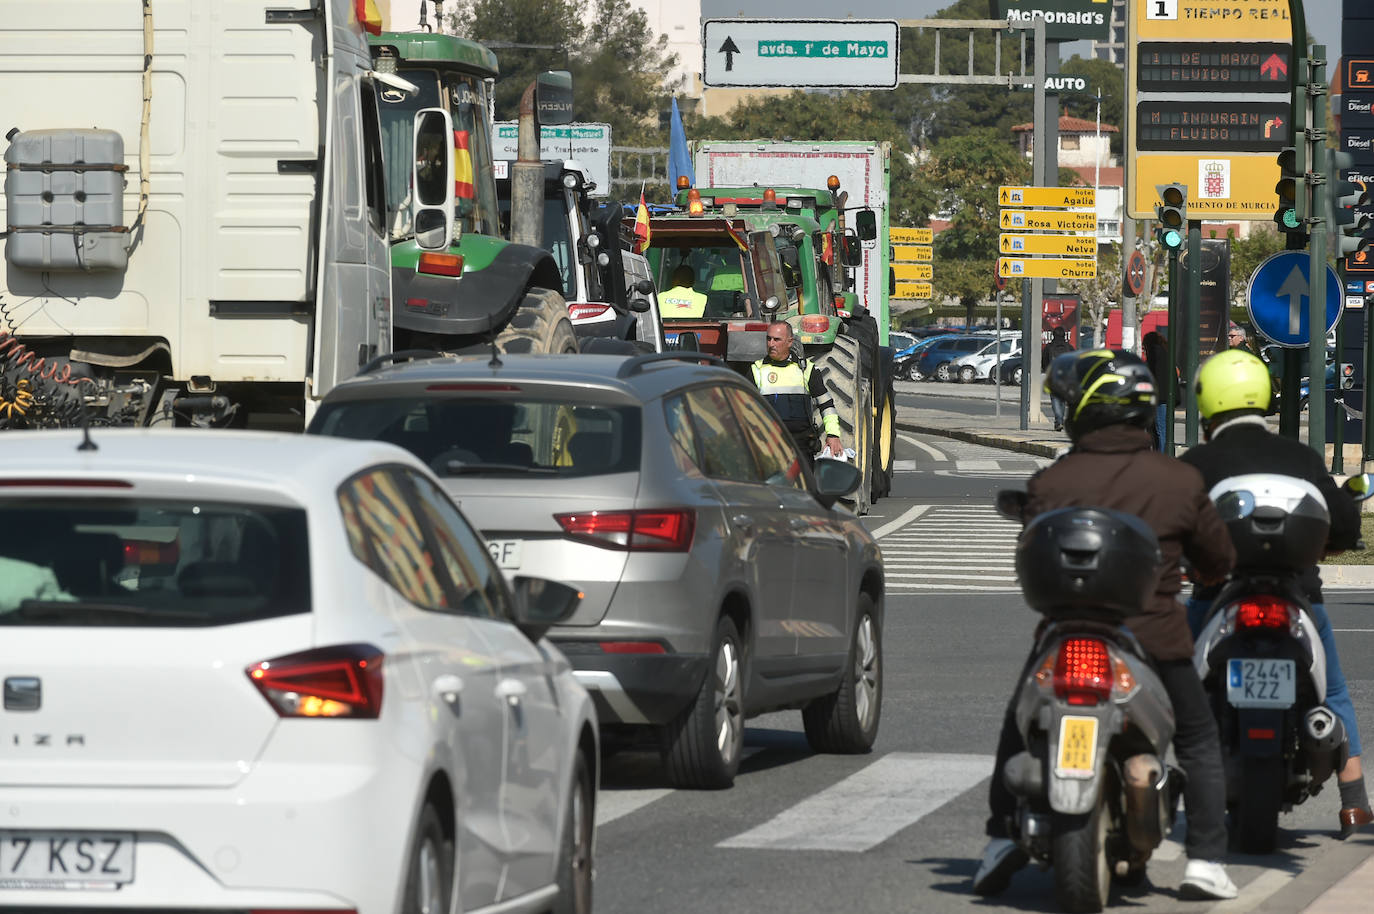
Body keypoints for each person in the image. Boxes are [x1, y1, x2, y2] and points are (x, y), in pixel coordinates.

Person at [973, 349, 1239, 902]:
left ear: (1086, 410)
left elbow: (1029, 549)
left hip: (1064, 634)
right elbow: (1219, 561)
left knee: (1017, 724)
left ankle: (1000, 838)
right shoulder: (1180, 480)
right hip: (1155, 637)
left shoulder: (1053, 481)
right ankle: (1207, 861)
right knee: (1196, 734)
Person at [1183, 348, 1374, 838]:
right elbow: (1344, 520)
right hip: (1297, 595)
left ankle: (1150, 774)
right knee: (1331, 690)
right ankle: (1354, 804)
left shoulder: (1198, 462)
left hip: (1216, 594)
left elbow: (1172, 524)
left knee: (1176, 679)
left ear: (1207, 402)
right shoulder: (1300, 457)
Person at [751, 321, 843, 460]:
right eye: (768, 339)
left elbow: (826, 405)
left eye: (777, 339)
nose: (771, 344)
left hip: (801, 448)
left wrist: (833, 434)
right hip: (767, 447)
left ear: (789, 342)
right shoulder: (756, 370)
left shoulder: (806, 370)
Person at [1142, 331, 1171, 451]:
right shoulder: (1165, 353)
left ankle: (1161, 455)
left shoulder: (1155, 354)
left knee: (1160, 430)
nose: (1143, 348)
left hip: (1159, 398)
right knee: (1161, 429)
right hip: (1164, 397)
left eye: (1144, 346)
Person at [1041, 326, 1074, 431]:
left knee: (1055, 398)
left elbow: (1044, 362)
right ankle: (1060, 420)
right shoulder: (1069, 347)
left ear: (1053, 335)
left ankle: (1059, 420)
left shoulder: (1049, 347)